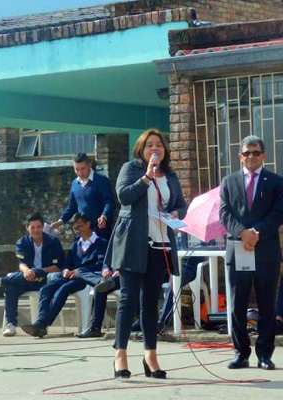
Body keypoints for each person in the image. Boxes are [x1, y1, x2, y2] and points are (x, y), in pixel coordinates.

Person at [106, 128, 186, 380]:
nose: (155, 149)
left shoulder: (170, 176)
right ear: (141, 149)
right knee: (128, 300)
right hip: (133, 244)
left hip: (160, 245)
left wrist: (175, 214)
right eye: (150, 145)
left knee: (150, 304)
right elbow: (123, 196)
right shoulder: (131, 169)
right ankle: (120, 354)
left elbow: (180, 205)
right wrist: (146, 178)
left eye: (159, 145)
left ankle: (150, 355)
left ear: (165, 150)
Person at [219, 135, 283, 371]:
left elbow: (279, 213)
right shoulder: (228, 181)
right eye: (246, 153)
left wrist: (256, 233)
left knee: (267, 304)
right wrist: (242, 233)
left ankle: (265, 354)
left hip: (265, 249)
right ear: (240, 156)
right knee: (238, 304)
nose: (251, 157)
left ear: (263, 156)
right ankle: (240, 352)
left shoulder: (275, 181)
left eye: (255, 153)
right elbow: (225, 213)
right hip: (238, 249)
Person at [20, 213, 109, 338]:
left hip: (86, 279)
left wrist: (79, 270)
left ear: (88, 224)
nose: (78, 230)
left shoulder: (101, 243)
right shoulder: (76, 245)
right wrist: (66, 271)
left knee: (64, 289)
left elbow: (101, 264)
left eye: (80, 226)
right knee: (46, 288)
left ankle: (43, 325)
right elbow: (66, 264)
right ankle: (40, 321)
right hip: (69, 276)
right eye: (75, 228)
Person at [0, 212, 65, 337]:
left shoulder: (53, 242)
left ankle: (1, 280)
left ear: (43, 227)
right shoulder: (22, 242)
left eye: (38, 227)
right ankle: (10, 324)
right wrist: (27, 271)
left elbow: (57, 267)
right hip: (28, 279)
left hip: (46, 279)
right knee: (11, 288)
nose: (36, 230)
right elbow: (22, 264)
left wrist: (38, 271)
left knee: (19, 277)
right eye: (33, 227)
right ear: (27, 228)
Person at [51, 153, 116, 239]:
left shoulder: (101, 180)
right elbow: (72, 207)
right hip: (81, 232)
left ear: (89, 165)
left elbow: (110, 202)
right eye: (76, 169)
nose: (80, 173)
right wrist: (60, 221)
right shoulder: (75, 184)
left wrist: (104, 216)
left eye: (83, 169)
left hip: (100, 231)